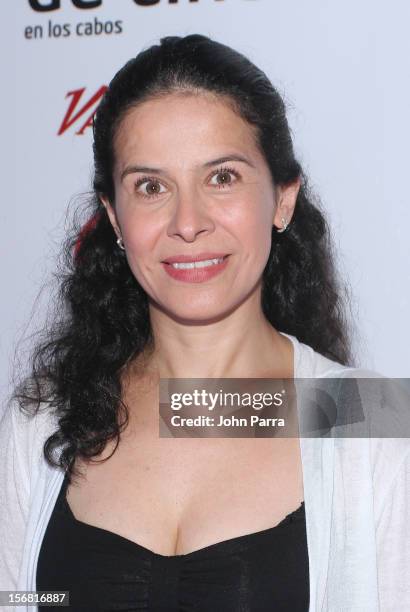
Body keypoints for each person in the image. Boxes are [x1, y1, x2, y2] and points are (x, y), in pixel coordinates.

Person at [1, 34, 409, 612]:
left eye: (222, 177)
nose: (187, 222)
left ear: (283, 197)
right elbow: (17, 599)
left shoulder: (370, 423)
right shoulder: (44, 418)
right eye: (151, 186)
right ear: (115, 218)